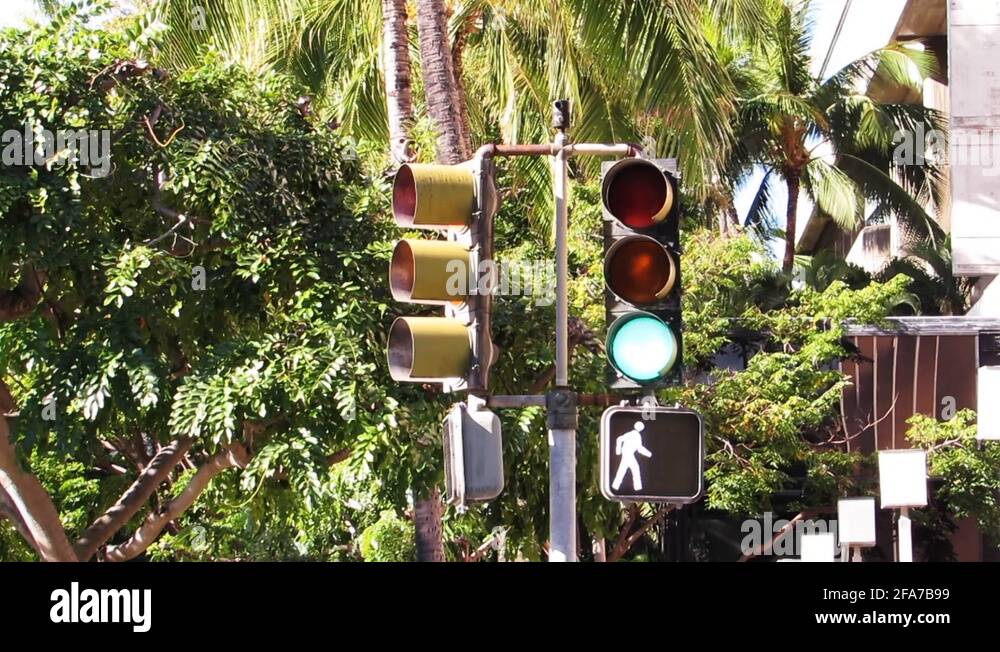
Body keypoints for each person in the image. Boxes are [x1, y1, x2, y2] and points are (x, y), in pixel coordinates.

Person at [612, 421, 652, 491]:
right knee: (634, 469)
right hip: (628, 454)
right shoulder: (633, 434)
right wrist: (618, 451)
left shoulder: (636, 435)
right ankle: (637, 488)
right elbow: (619, 439)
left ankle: (615, 486)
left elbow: (639, 448)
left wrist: (648, 454)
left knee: (623, 470)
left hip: (628, 454)